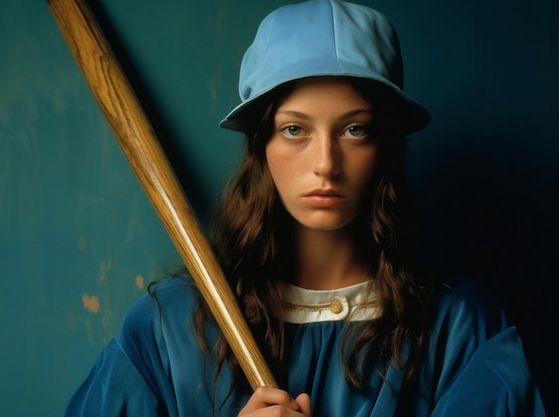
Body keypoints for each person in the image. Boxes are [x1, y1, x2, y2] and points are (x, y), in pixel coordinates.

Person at [63, 1, 548, 416]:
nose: (325, 164)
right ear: (262, 146)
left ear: (386, 146)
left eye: (354, 129)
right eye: (295, 129)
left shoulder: (460, 327)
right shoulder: (170, 329)